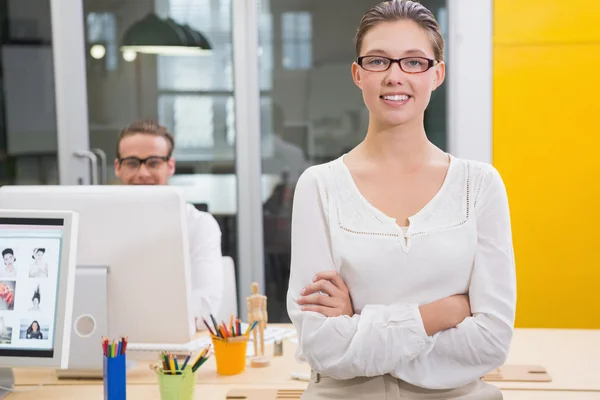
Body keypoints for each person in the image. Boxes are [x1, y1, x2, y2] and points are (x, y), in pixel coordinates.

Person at [286, 1, 515, 399]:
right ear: (358, 74)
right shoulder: (319, 186)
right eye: (378, 61)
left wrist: (358, 323)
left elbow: (490, 342)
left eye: (413, 62)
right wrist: (441, 313)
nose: (395, 76)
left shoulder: (479, 186)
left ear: (437, 74)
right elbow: (322, 346)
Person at [114, 119, 224, 329]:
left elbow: (204, 308)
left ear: (170, 166)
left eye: (153, 162)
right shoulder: (102, 223)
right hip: (111, 345)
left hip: (174, 347)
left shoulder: (200, 225)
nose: (143, 173)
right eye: (132, 163)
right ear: (118, 167)